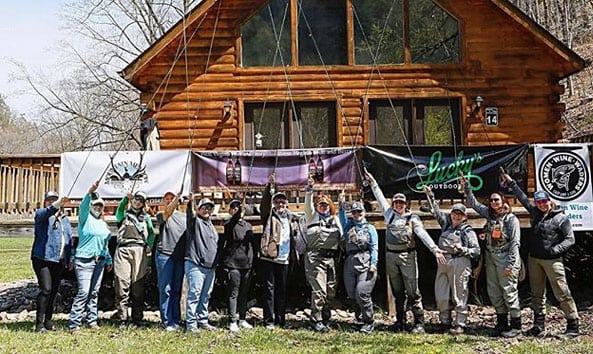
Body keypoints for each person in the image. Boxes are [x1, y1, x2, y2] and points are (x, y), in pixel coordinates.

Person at [365, 171, 446, 333]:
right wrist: (373, 181)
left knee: (413, 291)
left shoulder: (413, 218)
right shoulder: (389, 215)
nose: (399, 205)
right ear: (393, 204)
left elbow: (423, 234)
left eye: (401, 202)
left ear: (406, 204)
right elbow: (379, 197)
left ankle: (419, 322)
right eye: (396, 202)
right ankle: (400, 322)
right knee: (397, 291)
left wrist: (435, 249)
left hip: (408, 256)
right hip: (391, 256)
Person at [503, 173, 579, 336]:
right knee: (537, 293)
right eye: (539, 202)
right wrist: (512, 183)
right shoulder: (535, 213)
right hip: (534, 259)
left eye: (544, 201)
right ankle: (539, 325)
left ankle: (573, 325)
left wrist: (555, 250)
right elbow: (523, 198)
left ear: (550, 201)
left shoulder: (561, 218)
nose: (542, 204)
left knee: (561, 291)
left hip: (553, 261)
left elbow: (570, 239)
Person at [460, 175, 522, 337]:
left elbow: (515, 243)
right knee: (494, 291)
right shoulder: (489, 215)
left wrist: (511, 264)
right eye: (492, 200)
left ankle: (516, 325)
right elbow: (473, 204)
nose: (493, 203)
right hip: (491, 257)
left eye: (496, 200)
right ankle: (501, 323)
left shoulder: (511, 220)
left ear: (503, 202)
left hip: (506, 258)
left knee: (509, 291)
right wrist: (467, 188)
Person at [425, 186, 480, 335]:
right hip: (443, 262)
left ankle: (460, 323)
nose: (456, 216)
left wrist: (462, 249)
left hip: (460, 262)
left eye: (459, 214)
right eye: (454, 213)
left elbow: (476, 251)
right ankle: (445, 322)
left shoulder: (468, 231)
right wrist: (430, 196)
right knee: (441, 294)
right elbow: (436, 212)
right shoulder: (446, 225)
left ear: (464, 217)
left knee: (459, 294)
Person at [68, 181, 113, 333]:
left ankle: (92, 320)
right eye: (95, 205)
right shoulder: (85, 219)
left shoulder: (103, 224)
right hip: (84, 261)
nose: (98, 208)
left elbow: (105, 244)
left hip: (99, 261)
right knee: (84, 292)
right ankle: (74, 323)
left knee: (94, 292)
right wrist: (90, 192)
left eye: (100, 206)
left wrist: (108, 259)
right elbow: (83, 206)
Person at [259, 173, 301, 329]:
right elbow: (264, 204)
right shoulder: (268, 215)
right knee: (269, 291)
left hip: (284, 258)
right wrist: (269, 187)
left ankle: (281, 320)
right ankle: (268, 321)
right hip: (269, 258)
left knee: (282, 291)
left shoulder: (291, 218)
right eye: (277, 202)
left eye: (282, 201)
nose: (280, 204)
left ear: (287, 203)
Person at [303, 177, 343, 332]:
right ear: (316, 206)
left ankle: (326, 317)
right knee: (319, 290)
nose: (323, 207)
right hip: (315, 258)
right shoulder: (311, 217)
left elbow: (342, 234)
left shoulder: (335, 219)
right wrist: (309, 189)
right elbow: (307, 203)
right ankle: (316, 319)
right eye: (320, 205)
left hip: (331, 258)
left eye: (326, 205)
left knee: (331, 290)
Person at [31, 190, 72, 332]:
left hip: (58, 260)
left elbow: (68, 240)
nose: (52, 202)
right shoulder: (41, 215)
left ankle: (48, 321)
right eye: (50, 200)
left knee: (54, 291)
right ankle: (39, 324)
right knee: (46, 289)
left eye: (55, 199)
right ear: (45, 202)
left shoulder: (65, 219)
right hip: (42, 258)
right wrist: (56, 204)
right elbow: (47, 212)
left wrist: (69, 258)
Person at [113, 190, 155, 326]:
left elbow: (152, 233)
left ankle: (137, 318)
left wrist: (149, 245)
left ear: (143, 204)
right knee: (122, 284)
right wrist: (126, 198)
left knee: (138, 285)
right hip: (123, 250)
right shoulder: (123, 215)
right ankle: (122, 318)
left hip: (139, 251)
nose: (138, 202)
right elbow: (119, 209)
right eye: (136, 199)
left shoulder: (146, 218)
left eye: (141, 201)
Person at [338, 197, 378, 334]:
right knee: (352, 293)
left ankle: (369, 321)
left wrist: (373, 264)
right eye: (354, 212)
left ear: (364, 212)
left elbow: (374, 247)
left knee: (362, 293)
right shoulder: (348, 226)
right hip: (350, 262)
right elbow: (342, 216)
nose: (357, 215)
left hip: (365, 263)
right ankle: (359, 319)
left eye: (359, 212)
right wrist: (342, 204)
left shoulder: (370, 228)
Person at [185, 196, 220, 333]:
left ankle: (202, 320)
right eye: (204, 207)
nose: (207, 210)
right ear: (198, 209)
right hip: (195, 265)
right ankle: (191, 325)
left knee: (205, 295)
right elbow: (190, 214)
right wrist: (190, 202)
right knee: (194, 294)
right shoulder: (194, 221)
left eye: (209, 207)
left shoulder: (210, 224)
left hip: (210, 267)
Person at [220, 199, 255, 332]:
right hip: (233, 264)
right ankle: (232, 321)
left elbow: (252, 245)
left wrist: (252, 261)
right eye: (233, 207)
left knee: (244, 293)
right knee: (233, 292)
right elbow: (234, 219)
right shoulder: (229, 224)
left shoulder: (248, 225)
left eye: (238, 207)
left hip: (246, 264)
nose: (235, 209)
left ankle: (242, 319)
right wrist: (239, 209)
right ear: (230, 211)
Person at [155, 191, 186, 331]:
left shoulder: (184, 217)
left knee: (177, 289)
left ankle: (176, 319)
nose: (168, 201)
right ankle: (167, 321)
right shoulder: (161, 214)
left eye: (171, 199)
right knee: (165, 289)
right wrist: (176, 199)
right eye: (166, 199)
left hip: (179, 256)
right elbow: (167, 213)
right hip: (164, 255)